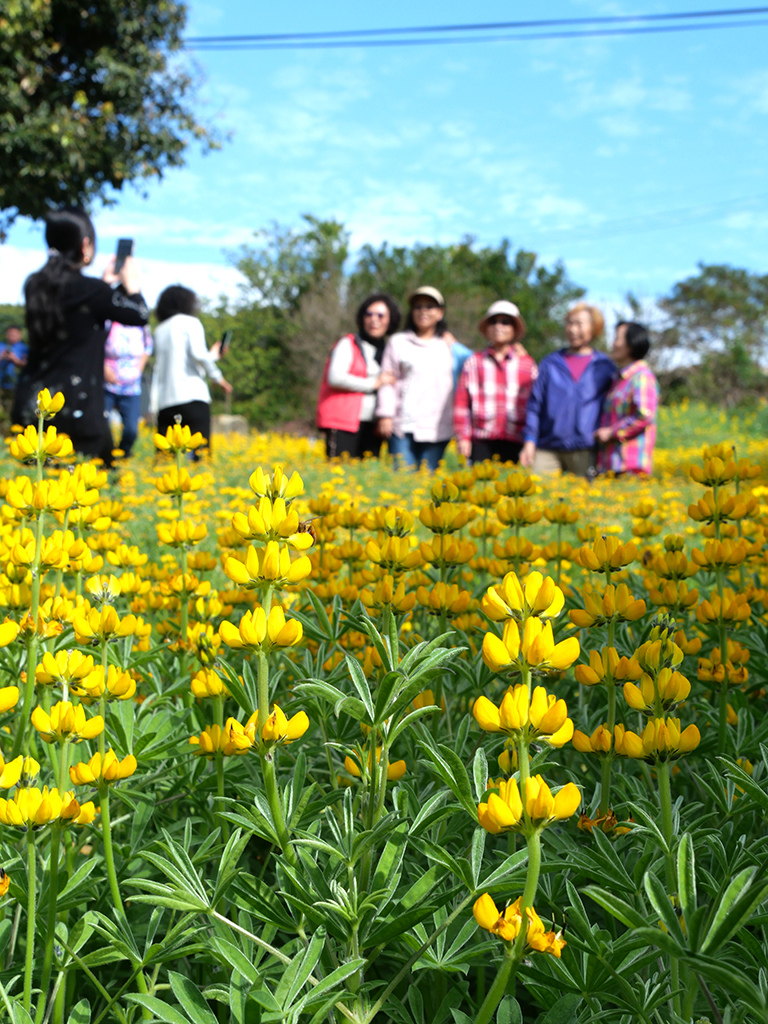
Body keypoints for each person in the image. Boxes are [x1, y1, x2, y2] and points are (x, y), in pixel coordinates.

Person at [14, 207, 149, 464]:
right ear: (85, 245)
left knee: (40, 485)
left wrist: (104, 283)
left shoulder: (35, 284)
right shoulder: (93, 291)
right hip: (79, 408)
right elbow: (139, 315)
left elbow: (76, 305)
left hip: (33, 403)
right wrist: (132, 285)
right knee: (94, 482)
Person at [377, 286, 470, 470]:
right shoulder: (398, 342)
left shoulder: (449, 347)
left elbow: (477, 364)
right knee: (402, 482)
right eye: (418, 307)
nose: (423, 311)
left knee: (427, 485)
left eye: (430, 306)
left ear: (440, 313)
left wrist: (512, 349)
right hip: (402, 426)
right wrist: (385, 415)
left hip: (438, 427)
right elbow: (387, 381)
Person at [520, 302, 615, 477]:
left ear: (594, 328)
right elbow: (535, 405)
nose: (572, 329)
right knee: (539, 496)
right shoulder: (550, 363)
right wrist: (529, 441)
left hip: (586, 449)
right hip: (547, 447)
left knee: (583, 501)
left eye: (579, 324)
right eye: (569, 323)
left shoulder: (605, 366)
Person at [150, 285, 232, 454]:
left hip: (166, 401)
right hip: (192, 397)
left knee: (165, 458)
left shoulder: (159, 330)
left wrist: (214, 355)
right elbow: (199, 355)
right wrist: (218, 378)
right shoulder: (190, 322)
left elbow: (177, 361)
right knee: (201, 455)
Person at [453, 300, 537, 464]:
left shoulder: (527, 364)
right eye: (493, 322)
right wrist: (463, 437)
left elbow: (535, 405)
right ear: (487, 329)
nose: (499, 326)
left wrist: (530, 440)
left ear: (514, 329)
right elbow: (462, 403)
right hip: (481, 439)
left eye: (505, 322)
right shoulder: (474, 362)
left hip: (516, 439)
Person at [316, 293, 399, 459]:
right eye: (369, 314)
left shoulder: (390, 349)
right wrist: (374, 383)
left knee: (365, 474)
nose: (374, 319)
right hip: (343, 422)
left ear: (390, 320)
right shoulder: (348, 343)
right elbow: (335, 377)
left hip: (373, 424)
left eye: (381, 315)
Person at [595, 321, 660, 475]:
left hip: (630, 467)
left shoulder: (642, 377)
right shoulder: (620, 379)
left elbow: (644, 415)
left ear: (631, 344)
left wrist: (611, 432)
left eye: (618, 339)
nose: (613, 344)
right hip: (612, 465)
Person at [104, 322, 154, 458]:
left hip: (132, 388)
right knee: (102, 427)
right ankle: (105, 458)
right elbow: (96, 346)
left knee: (132, 429)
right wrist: (104, 368)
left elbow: (148, 347)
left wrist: (139, 368)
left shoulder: (141, 326)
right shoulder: (109, 323)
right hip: (107, 386)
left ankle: (122, 456)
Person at [0, 325, 28, 428]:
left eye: (14, 334)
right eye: (10, 333)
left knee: (12, 410)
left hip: (16, 384)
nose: (12, 336)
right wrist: (2, 356)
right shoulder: (1, 346)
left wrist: (15, 360)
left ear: (20, 335)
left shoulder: (24, 348)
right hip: (1, 383)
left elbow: (27, 365)